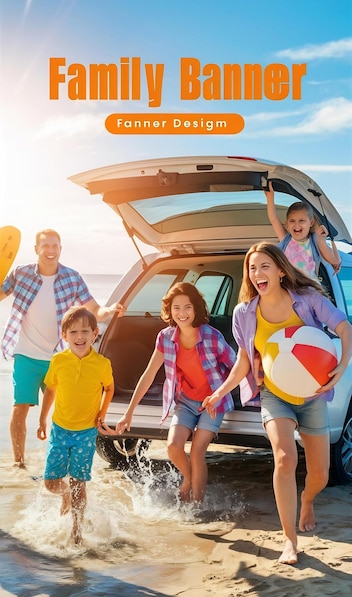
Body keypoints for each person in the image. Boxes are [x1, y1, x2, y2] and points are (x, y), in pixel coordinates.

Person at [202, 242, 352, 565]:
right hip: (274, 395)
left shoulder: (309, 300)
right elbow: (244, 360)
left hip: (312, 397)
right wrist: (221, 391)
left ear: (281, 270)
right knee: (284, 458)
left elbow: (344, 327)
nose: (257, 274)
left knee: (320, 475)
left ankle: (307, 499)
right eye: (252, 268)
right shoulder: (245, 312)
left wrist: (341, 365)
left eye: (264, 266)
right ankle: (289, 540)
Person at [99, 282, 236, 504]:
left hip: (214, 403)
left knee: (198, 451)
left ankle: (197, 506)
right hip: (186, 401)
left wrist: (221, 393)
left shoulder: (211, 336)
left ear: (197, 308)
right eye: (176, 308)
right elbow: (149, 374)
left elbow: (236, 367)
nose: (182, 313)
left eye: (187, 307)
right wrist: (129, 413)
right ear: (169, 310)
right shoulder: (165, 337)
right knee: (173, 446)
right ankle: (188, 480)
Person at [0, 228, 125, 468]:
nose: (50, 250)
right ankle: (19, 463)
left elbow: (95, 310)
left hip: (59, 357)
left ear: (60, 249)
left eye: (55, 246)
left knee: (67, 411)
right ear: (36, 249)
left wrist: (109, 311)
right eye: (45, 245)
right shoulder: (21, 274)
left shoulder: (72, 277)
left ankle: (59, 461)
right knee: (20, 407)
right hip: (26, 354)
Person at [37, 306, 114, 544]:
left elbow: (109, 388)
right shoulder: (59, 360)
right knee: (51, 482)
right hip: (60, 428)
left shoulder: (102, 363)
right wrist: (42, 418)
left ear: (95, 333)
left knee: (78, 482)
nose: (79, 337)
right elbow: (51, 389)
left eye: (85, 331)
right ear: (64, 336)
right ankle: (65, 495)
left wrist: (102, 414)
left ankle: (77, 530)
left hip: (85, 431)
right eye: (73, 332)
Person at [264, 181, 341, 280]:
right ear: (287, 224)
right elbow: (274, 220)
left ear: (311, 223)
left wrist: (321, 240)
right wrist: (270, 198)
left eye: (302, 221)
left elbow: (334, 261)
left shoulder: (314, 241)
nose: (297, 225)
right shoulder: (286, 239)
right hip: (290, 290)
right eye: (292, 221)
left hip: (309, 289)